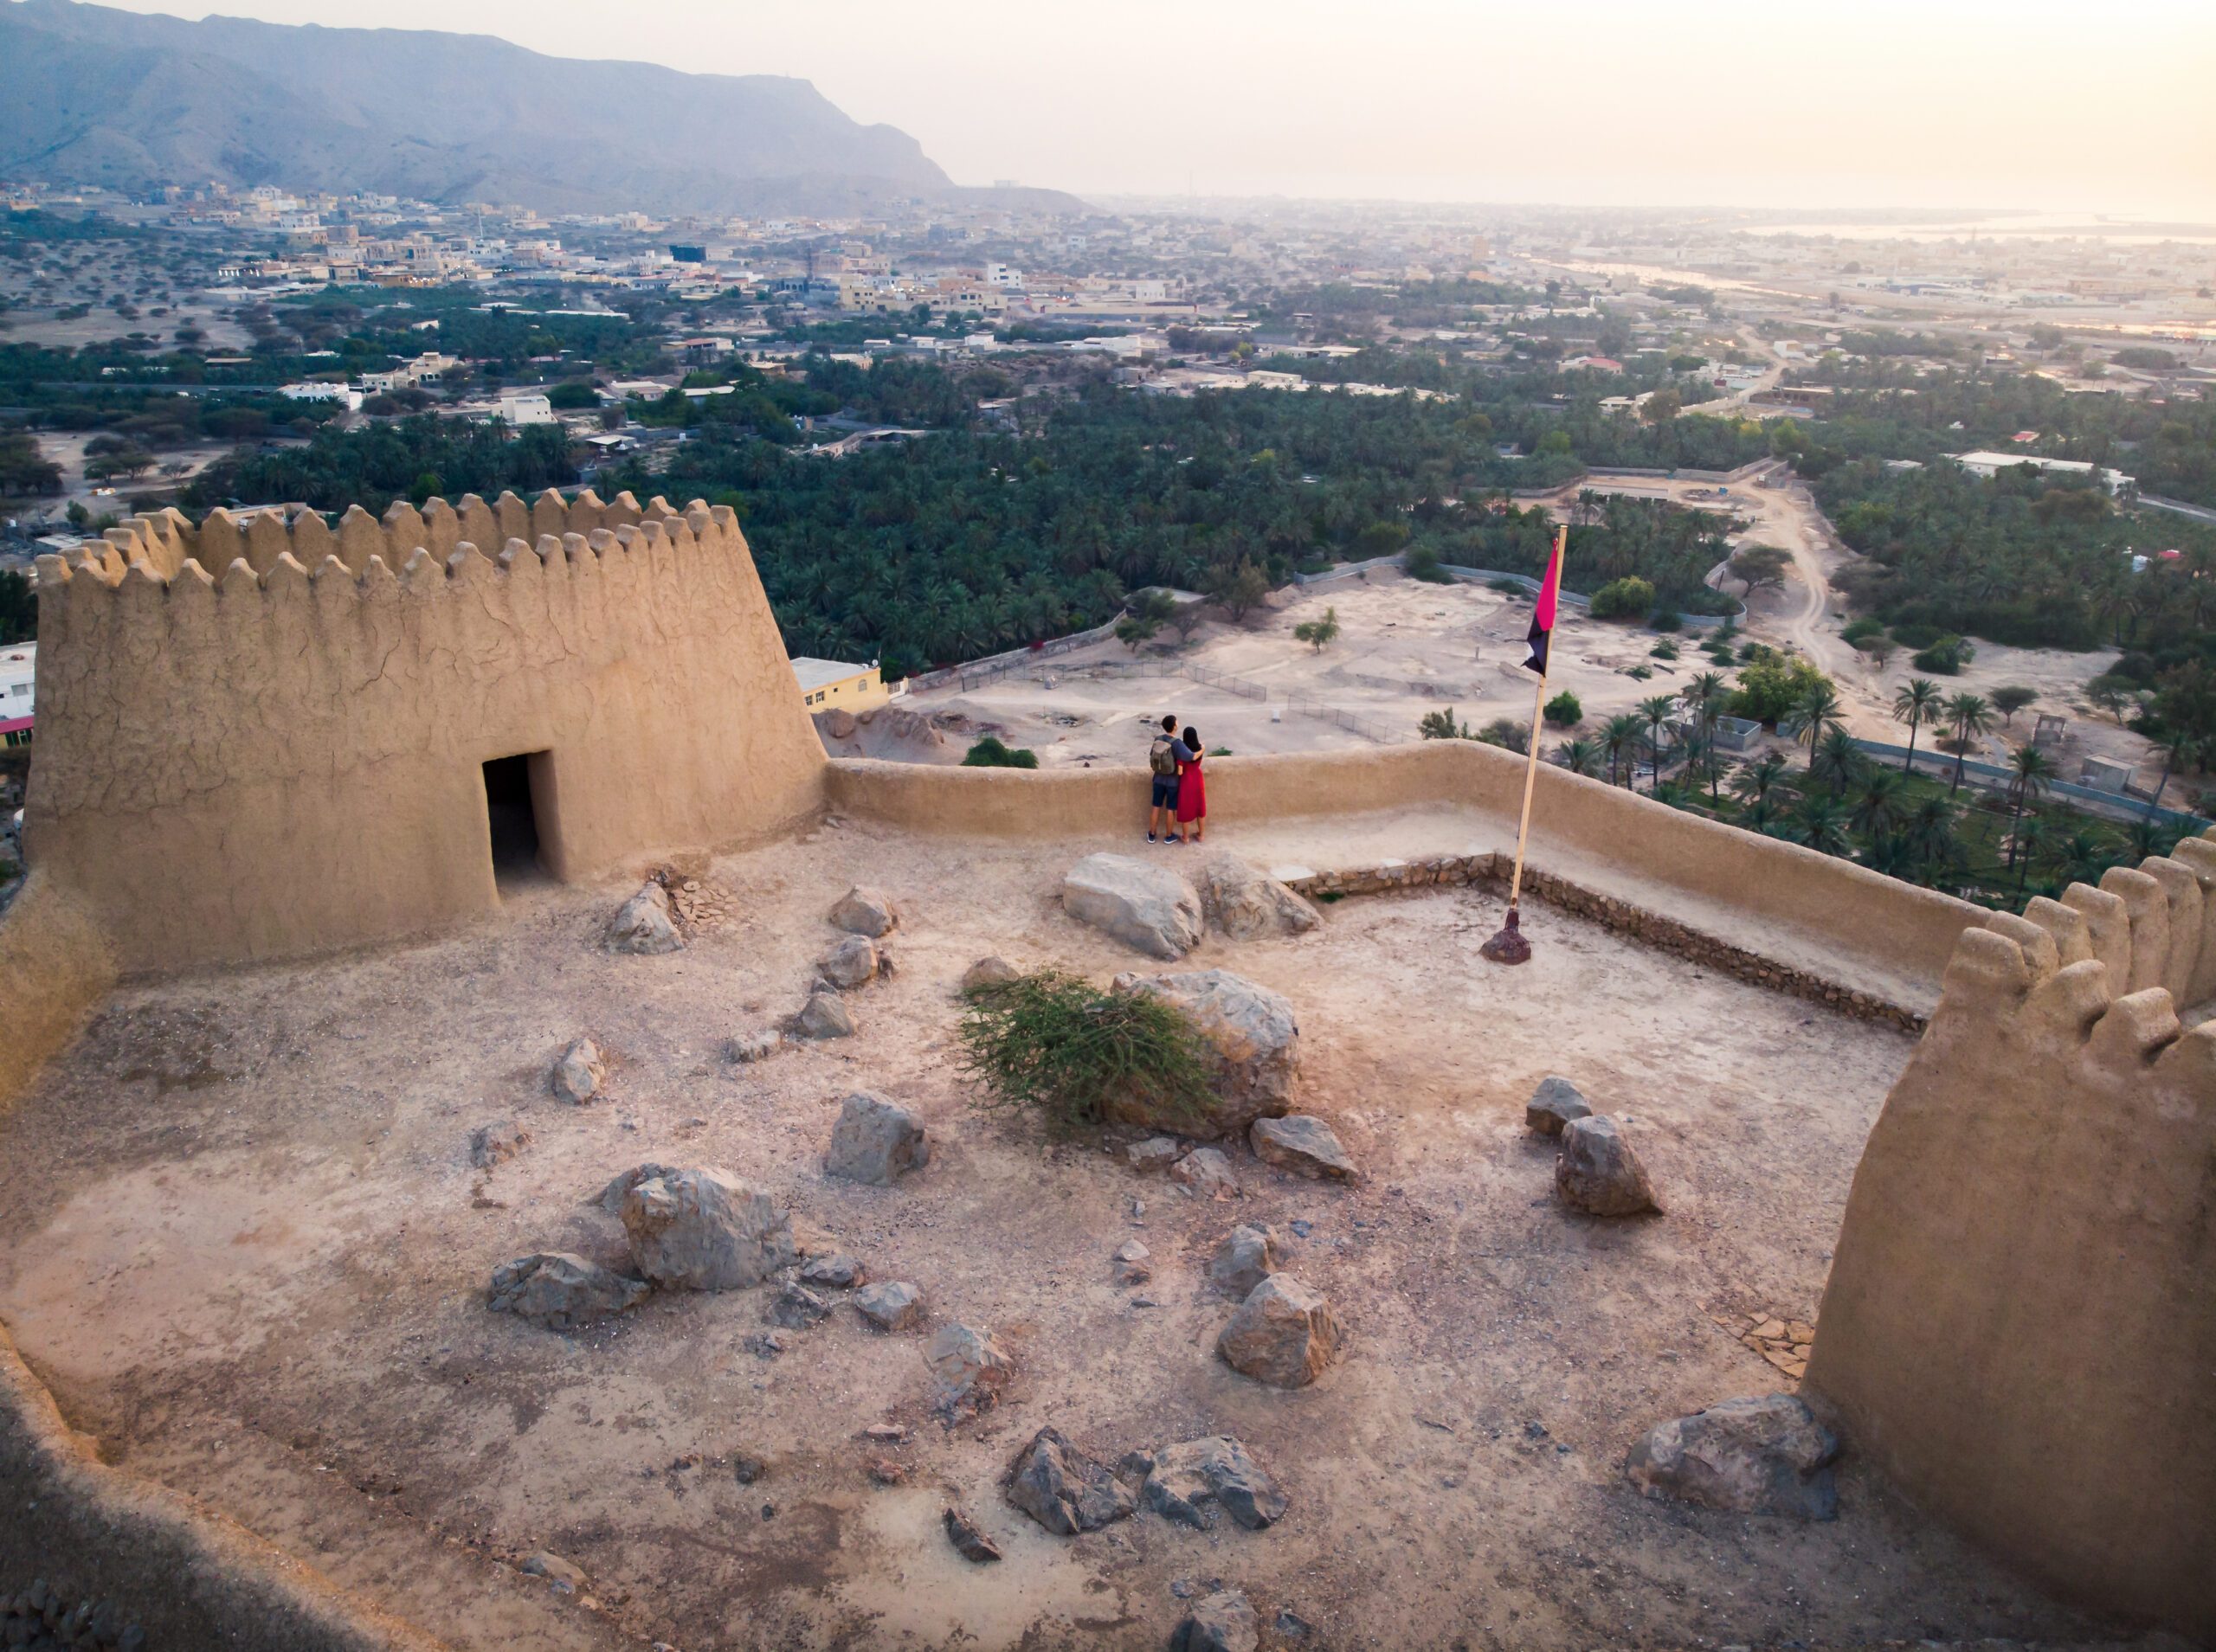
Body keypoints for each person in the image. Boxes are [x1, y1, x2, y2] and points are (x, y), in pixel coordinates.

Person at [1147, 713, 1195, 843]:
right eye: (1177, 722)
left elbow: (1152, 755)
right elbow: (1190, 756)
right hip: (1173, 782)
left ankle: (1152, 834)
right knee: (1170, 809)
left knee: (1156, 806)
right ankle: (1169, 836)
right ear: (1174, 726)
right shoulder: (1177, 743)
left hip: (1158, 779)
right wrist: (1201, 749)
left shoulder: (1158, 739)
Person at [1176, 725, 1208, 843]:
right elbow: (1198, 756)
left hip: (1186, 781)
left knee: (1186, 809)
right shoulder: (1200, 748)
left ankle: (1185, 837)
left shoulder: (1183, 752)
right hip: (1198, 779)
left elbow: (1180, 771)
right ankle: (1201, 835)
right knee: (1200, 808)